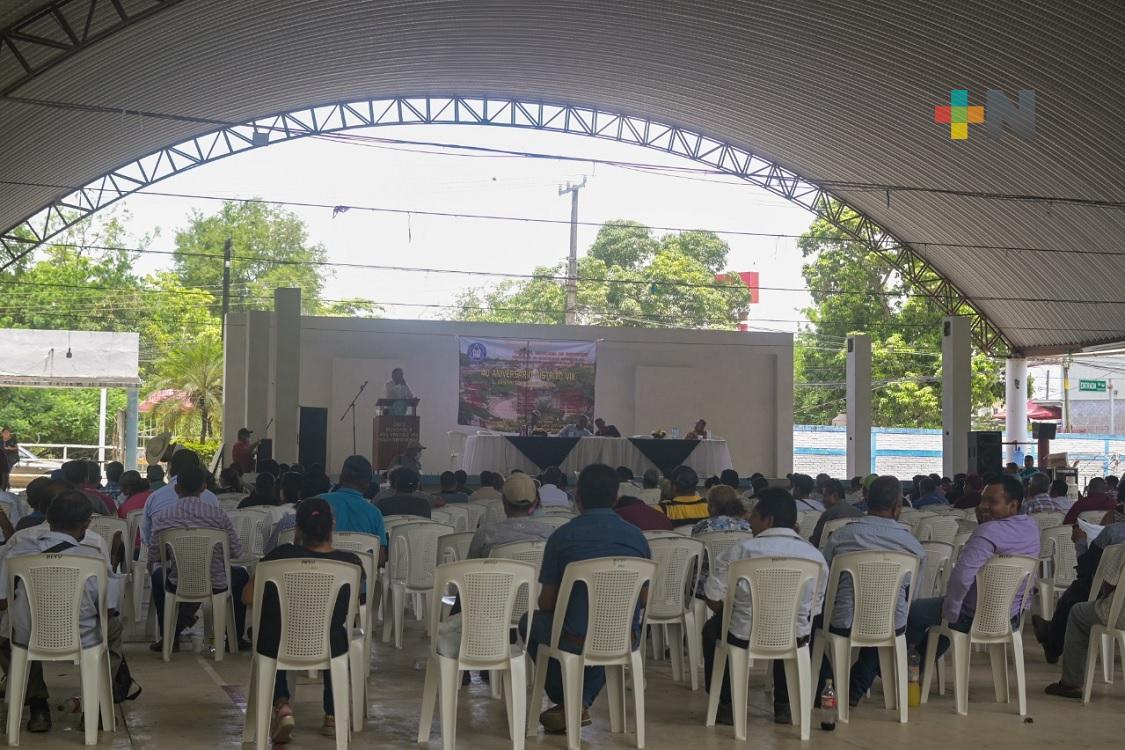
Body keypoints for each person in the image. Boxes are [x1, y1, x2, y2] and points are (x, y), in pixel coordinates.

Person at [522, 464, 650, 734]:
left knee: (528, 622)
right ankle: (579, 701)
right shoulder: (636, 537)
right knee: (608, 628)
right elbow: (645, 597)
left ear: (577, 497)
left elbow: (546, 603)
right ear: (616, 498)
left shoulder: (562, 537)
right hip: (624, 636)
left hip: (573, 637)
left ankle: (568, 699)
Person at [0, 490, 125, 734]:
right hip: (82, 637)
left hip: (27, 636)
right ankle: (96, 707)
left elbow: (2, 601)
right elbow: (109, 608)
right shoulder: (95, 555)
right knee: (114, 631)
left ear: (48, 517)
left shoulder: (17, 550)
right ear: (87, 525)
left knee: (9, 632)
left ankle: (37, 706)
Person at [702, 487, 828, 725]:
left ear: (768, 519)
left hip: (743, 633)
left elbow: (712, 595)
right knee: (786, 626)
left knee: (711, 631)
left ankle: (726, 704)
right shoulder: (815, 557)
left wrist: (729, 612)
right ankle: (784, 704)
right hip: (794, 635)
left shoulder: (741, 551)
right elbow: (815, 608)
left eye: (755, 515)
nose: (749, 521)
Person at [245, 498, 364, 741]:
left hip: (279, 644)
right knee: (336, 629)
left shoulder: (280, 557)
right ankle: (332, 716)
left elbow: (247, 596)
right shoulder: (351, 563)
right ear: (331, 527)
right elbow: (357, 604)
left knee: (272, 624)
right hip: (329, 645)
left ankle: (281, 705)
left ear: (297, 529)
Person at [906, 475, 1039, 661]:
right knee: (946, 620)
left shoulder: (988, 531)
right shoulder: (1031, 527)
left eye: (992, 502)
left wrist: (951, 610)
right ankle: (920, 664)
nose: (983, 506)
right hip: (1010, 616)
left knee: (913, 612)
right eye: (982, 499)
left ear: (1013, 505)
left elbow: (961, 578)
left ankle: (905, 667)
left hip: (974, 615)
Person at [820, 476, 925, 708]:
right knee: (890, 629)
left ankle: (824, 686)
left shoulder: (840, 537)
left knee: (808, 628)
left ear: (866, 501)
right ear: (898, 508)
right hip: (890, 622)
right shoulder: (913, 547)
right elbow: (913, 595)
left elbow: (825, 584)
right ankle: (855, 687)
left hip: (842, 620)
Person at [148, 463, 249, 653]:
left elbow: (155, 555)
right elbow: (236, 551)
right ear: (204, 487)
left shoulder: (163, 517)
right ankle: (234, 637)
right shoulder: (218, 516)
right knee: (241, 576)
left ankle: (170, 636)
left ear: (177, 488)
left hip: (179, 581)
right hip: (217, 583)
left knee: (158, 577)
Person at [1031, 509, 1125, 665]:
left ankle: (1055, 648)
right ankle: (1050, 633)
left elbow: (1085, 568)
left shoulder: (1113, 532)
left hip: (1114, 602)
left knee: (1075, 600)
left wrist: (1080, 541)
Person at [141, 449, 219, 547]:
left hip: (166, 560)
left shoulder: (154, 498)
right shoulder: (212, 499)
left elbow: (147, 538)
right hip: (204, 560)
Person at [468, 473, 556, 558]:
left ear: (504, 502)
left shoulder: (484, 535)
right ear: (534, 504)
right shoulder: (550, 535)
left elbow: (469, 568)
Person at [809, 478, 862, 548]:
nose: (823, 500)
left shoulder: (827, 515)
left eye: (825, 495)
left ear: (835, 495)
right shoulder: (860, 514)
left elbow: (815, 542)